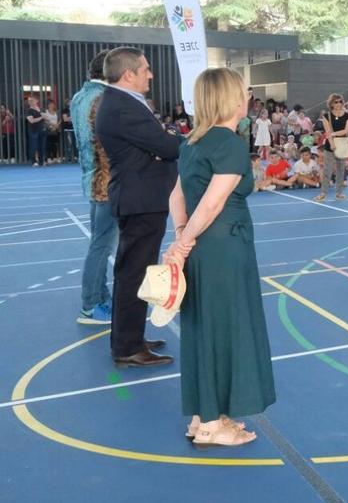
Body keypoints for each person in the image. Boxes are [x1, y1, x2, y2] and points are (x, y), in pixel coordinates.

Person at [164, 67, 275, 448]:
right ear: (232, 98)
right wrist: (184, 240)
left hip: (202, 246)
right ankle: (211, 423)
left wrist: (181, 236)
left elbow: (176, 197)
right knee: (226, 325)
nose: (248, 98)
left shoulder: (191, 142)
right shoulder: (228, 143)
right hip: (223, 246)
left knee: (205, 325)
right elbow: (212, 204)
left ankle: (205, 414)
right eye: (243, 92)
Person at [94, 47, 180, 367]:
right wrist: (166, 142)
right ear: (128, 74)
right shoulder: (123, 107)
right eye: (145, 69)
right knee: (134, 275)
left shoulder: (123, 103)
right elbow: (168, 145)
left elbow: (161, 144)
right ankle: (128, 347)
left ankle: (129, 338)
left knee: (133, 273)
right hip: (140, 200)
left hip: (140, 198)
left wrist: (163, 142)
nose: (150, 74)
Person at [70, 52, 116, 325]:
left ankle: (99, 298)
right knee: (102, 245)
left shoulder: (79, 96)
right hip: (106, 181)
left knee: (100, 242)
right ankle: (91, 305)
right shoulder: (104, 99)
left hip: (91, 177)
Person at [316, 93, 348, 202]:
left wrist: (334, 134)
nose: (339, 104)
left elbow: (346, 130)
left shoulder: (347, 115)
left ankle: (339, 193)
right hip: (330, 145)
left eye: (340, 101)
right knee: (327, 170)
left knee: (341, 169)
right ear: (331, 103)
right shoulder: (326, 116)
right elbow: (327, 132)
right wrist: (332, 143)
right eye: (336, 102)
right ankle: (323, 193)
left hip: (342, 144)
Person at [24, 96, 46, 166]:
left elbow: (47, 118)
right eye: (29, 101)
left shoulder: (41, 109)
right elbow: (32, 120)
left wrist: (42, 114)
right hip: (33, 131)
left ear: (37, 101)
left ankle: (41, 162)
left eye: (32, 100)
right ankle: (34, 162)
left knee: (41, 147)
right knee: (33, 146)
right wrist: (41, 117)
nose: (30, 102)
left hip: (41, 130)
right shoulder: (28, 110)